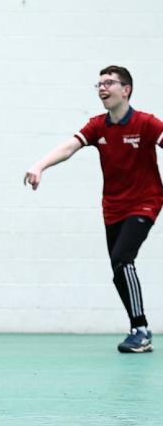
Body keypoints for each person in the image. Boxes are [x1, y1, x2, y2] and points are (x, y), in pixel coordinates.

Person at [25, 65, 163, 353]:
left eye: (109, 82)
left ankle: (141, 329)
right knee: (117, 268)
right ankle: (137, 329)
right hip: (113, 206)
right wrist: (39, 165)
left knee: (123, 258)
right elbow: (69, 147)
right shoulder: (98, 125)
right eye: (99, 83)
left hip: (144, 201)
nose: (102, 87)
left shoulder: (146, 123)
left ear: (126, 90)